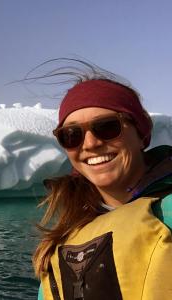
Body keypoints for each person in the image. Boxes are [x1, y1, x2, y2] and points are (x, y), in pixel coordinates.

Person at [33, 69, 172, 299]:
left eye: (107, 127)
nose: (90, 143)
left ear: (141, 132)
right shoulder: (63, 244)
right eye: (71, 135)